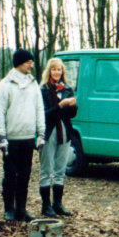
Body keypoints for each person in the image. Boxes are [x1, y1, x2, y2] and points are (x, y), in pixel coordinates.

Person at [0, 48, 45, 222]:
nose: (31, 65)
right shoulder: (5, 85)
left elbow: (39, 109)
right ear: (19, 63)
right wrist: (1, 136)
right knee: (10, 175)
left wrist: (41, 133)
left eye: (32, 62)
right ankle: (9, 209)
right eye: (28, 62)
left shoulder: (33, 84)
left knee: (25, 175)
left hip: (28, 138)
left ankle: (21, 209)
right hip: (12, 139)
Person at [38, 58, 78, 217]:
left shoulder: (67, 88)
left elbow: (72, 114)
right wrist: (60, 106)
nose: (57, 72)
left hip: (64, 132)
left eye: (59, 69)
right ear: (49, 71)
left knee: (60, 169)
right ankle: (46, 206)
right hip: (49, 132)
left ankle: (58, 204)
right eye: (54, 69)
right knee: (46, 169)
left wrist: (72, 106)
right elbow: (43, 115)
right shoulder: (43, 90)